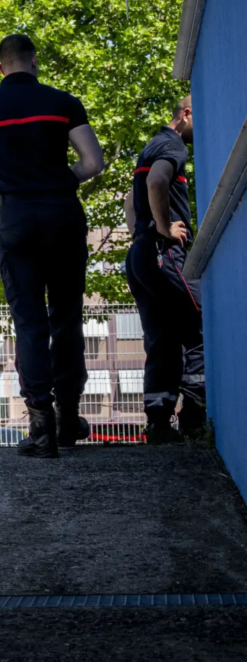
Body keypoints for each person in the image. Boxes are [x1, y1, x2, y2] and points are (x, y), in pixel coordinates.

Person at [0, 34, 104, 458]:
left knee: (30, 324)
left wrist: (5, 183)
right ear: (35, 61)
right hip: (63, 217)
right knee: (67, 318)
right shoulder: (64, 103)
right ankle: (70, 419)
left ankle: (42, 430)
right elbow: (93, 162)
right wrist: (57, 180)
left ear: (0, 67)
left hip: (17, 221)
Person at [123, 96, 203, 443]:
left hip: (142, 255)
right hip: (164, 253)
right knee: (202, 327)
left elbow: (130, 200)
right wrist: (164, 227)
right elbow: (156, 182)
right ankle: (195, 417)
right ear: (186, 114)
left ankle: (158, 422)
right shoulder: (173, 145)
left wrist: (142, 234)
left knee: (162, 339)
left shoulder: (151, 145)